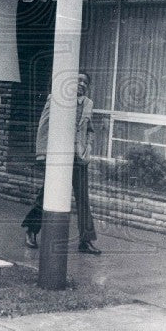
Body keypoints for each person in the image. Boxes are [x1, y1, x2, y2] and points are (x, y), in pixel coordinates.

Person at [21, 72, 101, 255]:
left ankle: (86, 240)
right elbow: (44, 126)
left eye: (85, 82)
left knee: (83, 199)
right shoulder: (56, 99)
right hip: (58, 157)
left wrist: (88, 146)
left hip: (78, 158)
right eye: (78, 80)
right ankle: (31, 231)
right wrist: (43, 155)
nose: (81, 84)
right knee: (48, 194)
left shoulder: (88, 104)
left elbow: (90, 129)